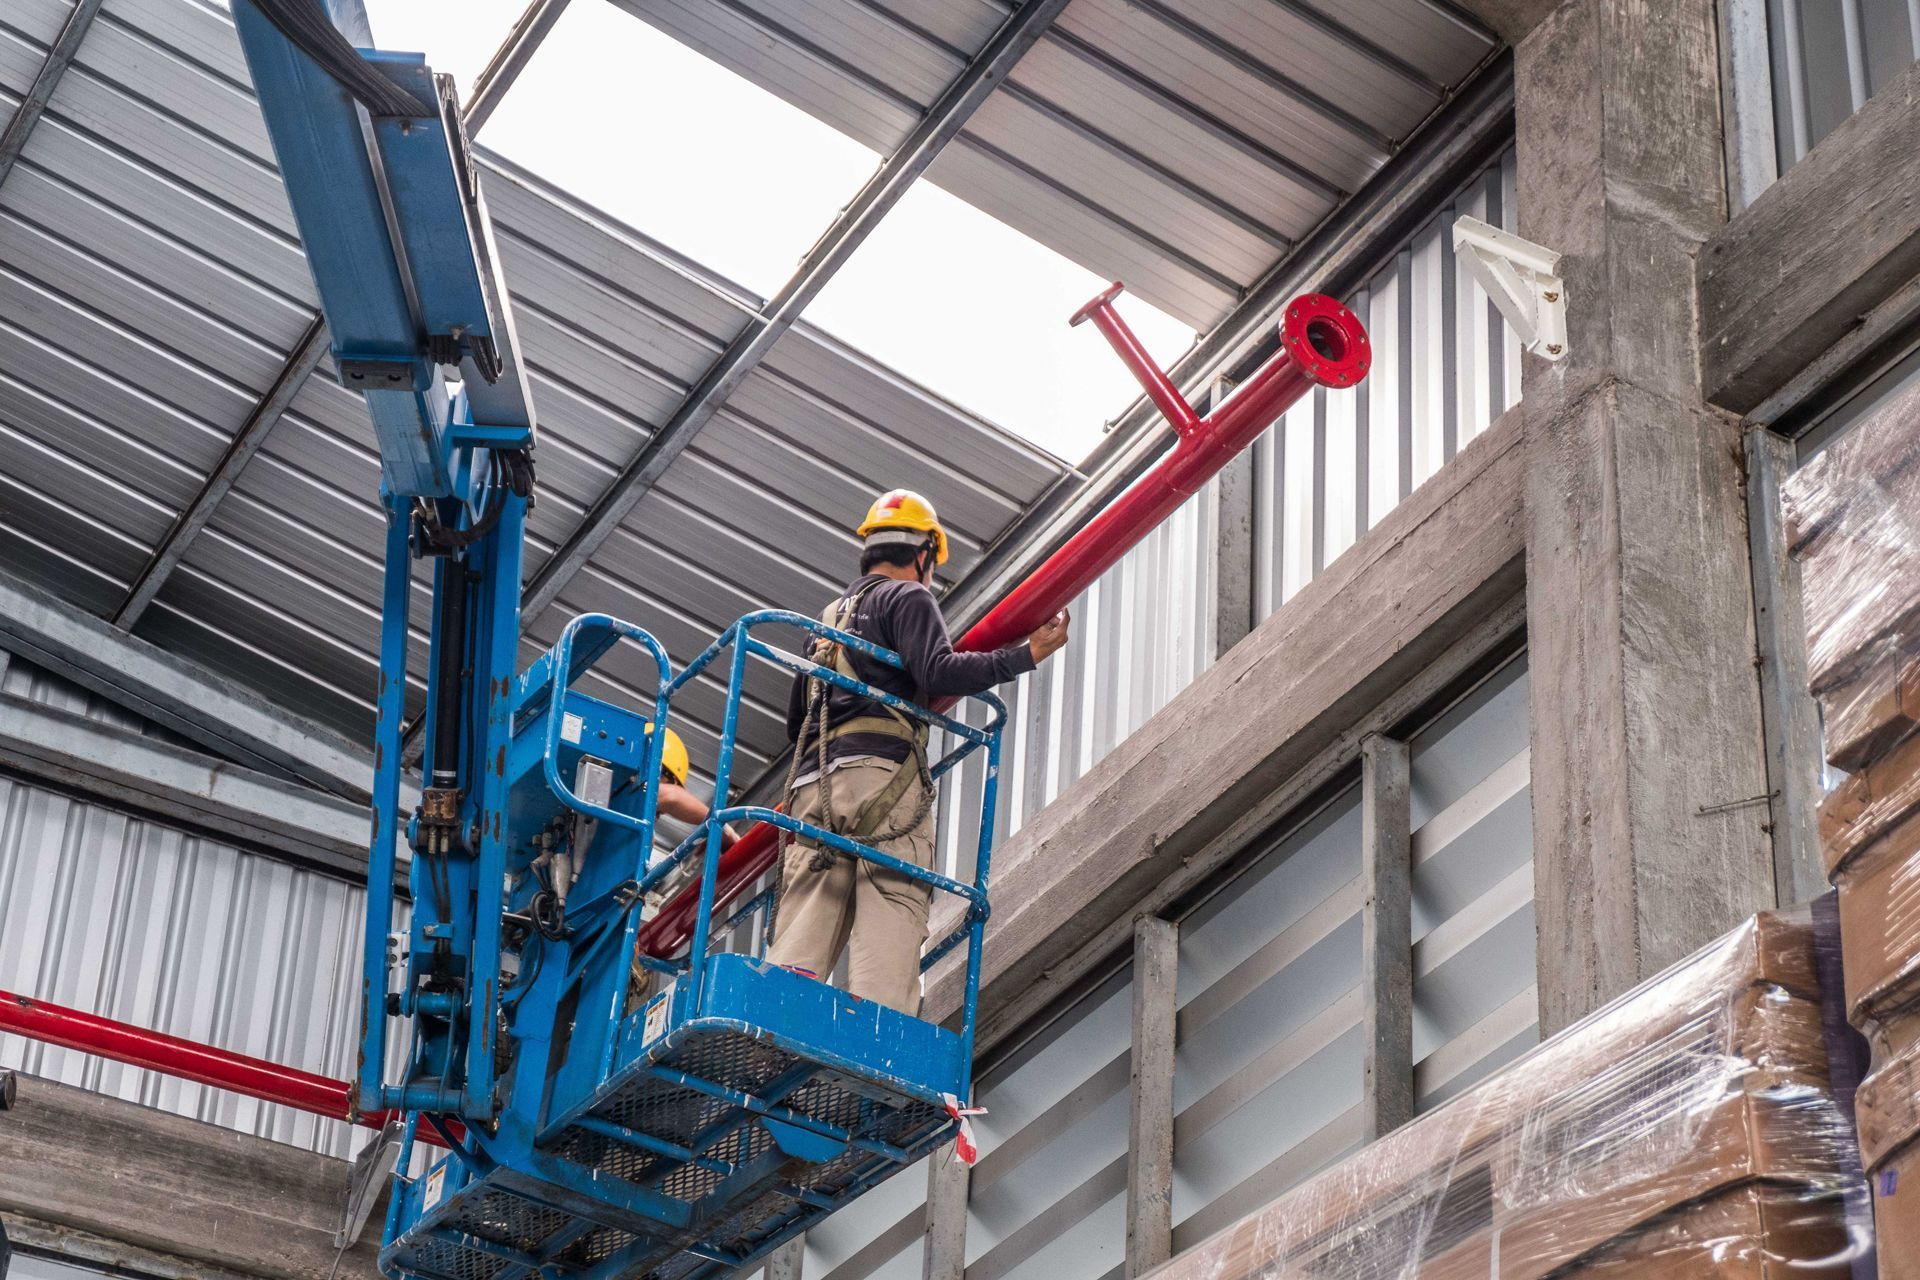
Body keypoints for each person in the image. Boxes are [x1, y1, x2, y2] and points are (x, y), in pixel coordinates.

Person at [766, 489, 1070, 1015]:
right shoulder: (906, 598)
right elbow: (936, 670)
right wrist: (1024, 656)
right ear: (924, 552)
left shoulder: (826, 620)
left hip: (811, 788)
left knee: (810, 909)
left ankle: (767, 1030)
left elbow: (797, 722)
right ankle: (876, 1038)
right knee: (892, 898)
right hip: (878, 777)